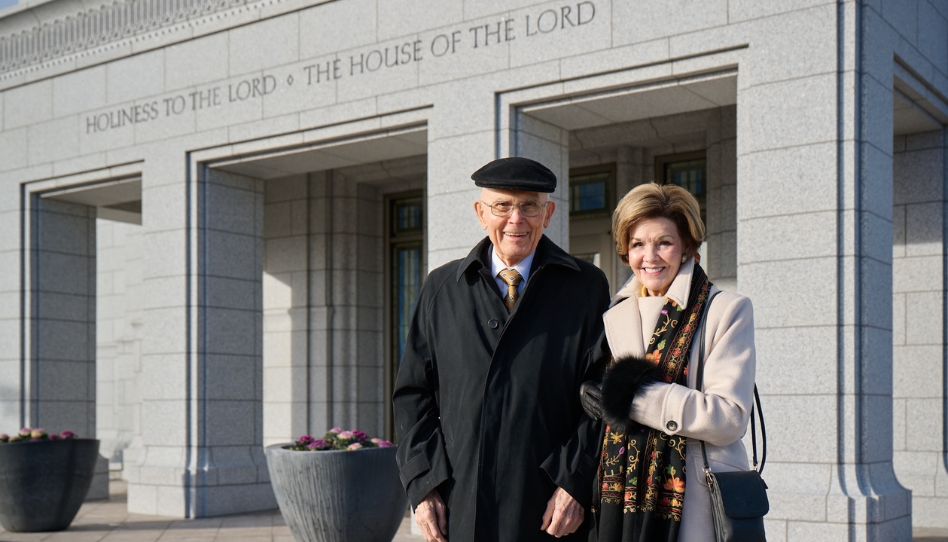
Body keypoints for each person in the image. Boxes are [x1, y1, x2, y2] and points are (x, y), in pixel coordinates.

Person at [393, 156, 610, 542]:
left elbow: (600, 399)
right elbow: (413, 396)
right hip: (460, 505)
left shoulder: (586, 288)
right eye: (502, 206)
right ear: (480, 213)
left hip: (550, 510)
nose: (516, 220)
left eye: (529, 206)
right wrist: (424, 485)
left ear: (549, 214)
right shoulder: (441, 289)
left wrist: (574, 483)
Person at [579, 183, 756, 541]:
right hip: (623, 500)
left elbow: (729, 418)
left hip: (693, 499)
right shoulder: (615, 313)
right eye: (637, 244)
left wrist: (630, 397)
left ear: (688, 246)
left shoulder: (725, 310)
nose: (650, 256)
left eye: (664, 242)